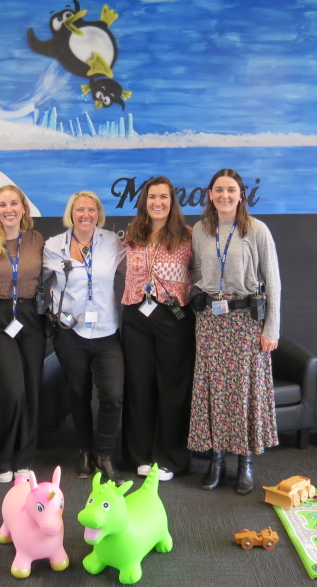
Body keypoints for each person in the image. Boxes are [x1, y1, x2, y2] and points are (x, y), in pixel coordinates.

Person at [187, 168, 281, 495]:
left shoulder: (256, 230)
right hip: (211, 322)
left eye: (230, 190)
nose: (224, 196)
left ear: (241, 194)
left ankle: (244, 462)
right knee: (212, 390)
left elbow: (274, 281)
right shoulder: (200, 230)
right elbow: (196, 271)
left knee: (241, 392)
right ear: (210, 195)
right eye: (218, 190)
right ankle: (215, 460)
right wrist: (197, 293)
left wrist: (271, 328)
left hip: (245, 322)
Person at [43, 190, 126, 484]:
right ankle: (85, 451)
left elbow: (136, 268)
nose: (86, 215)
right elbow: (37, 280)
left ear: (98, 213)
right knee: (78, 394)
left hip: (106, 331)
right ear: (71, 213)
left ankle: (104, 453)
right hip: (70, 331)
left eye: (91, 210)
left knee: (113, 396)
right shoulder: (54, 246)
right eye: (80, 210)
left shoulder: (113, 243)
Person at [121, 176, 195, 482]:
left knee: (173, 388)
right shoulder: (132, 234)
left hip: (173, 316)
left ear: (172, 201)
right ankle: (139, 454)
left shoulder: (189, 236)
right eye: (152, 197)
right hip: (135, 314)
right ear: (144, 201)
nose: (157, 203)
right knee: (139, 386)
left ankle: (171, 458)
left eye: (163, 197)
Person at [0, 185, 45, 483]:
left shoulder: (37, 240)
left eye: (14, 203)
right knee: (11, 392)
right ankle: (3, 456)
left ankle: (24, 459)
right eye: (3, 204)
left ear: (23, 208)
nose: (9, 209)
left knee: (30, 390)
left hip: (30, 317)